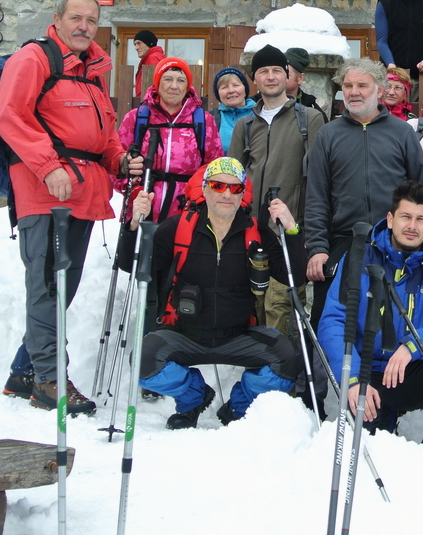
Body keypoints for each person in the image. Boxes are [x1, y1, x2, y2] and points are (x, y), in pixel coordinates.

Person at [0, 0, 143, 413]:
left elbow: (104, 134)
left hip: (83, 192)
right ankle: (50, 381)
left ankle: (24, 372)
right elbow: (10, 115)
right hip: (45, 192)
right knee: (48, 286)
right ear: (57, 18)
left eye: (91, 21)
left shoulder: (92, 71)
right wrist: (48, 167)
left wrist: (120, 159)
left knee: (63, 288)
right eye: (76, 18)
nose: (84, 27)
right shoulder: (34, 59)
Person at [125, 157, 306, 428]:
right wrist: (133, 225)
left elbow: (295, 275)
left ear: (243, 194)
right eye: (218, 186)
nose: (226, 194)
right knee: (143, 360)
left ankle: (239, 406)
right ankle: (193, 396)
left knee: (289, 362)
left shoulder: (255, 233)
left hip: (239, 335)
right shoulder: (177, 229)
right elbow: (131, 265)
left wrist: (291, 229)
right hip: (184, 334)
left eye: (235, 188)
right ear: (205, 188)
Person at [317, 180, 423, 457]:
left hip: (412, 373)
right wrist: (352, 379)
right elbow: (333, 320)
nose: (412, 226)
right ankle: (383, 416)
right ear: (390, 219)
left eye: (421, 219)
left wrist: (413, 346)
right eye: (405, 216)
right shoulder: (358, 259)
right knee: (371, 451)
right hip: (366, 375)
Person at [305, 57, 423, 327]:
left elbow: (421, 191)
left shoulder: (402, 133)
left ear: (380, 90)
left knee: (391, 323)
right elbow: (316, 197)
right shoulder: (328, 135)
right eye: (348, 86)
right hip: (343, 241)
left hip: (395, 242)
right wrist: (317, 248)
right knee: (328, 321)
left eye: (362, 85)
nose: (354, 92)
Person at [227, 45, 325, 335]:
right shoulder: (245, 125)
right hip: (249, 234)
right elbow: (232, 180)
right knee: (249, 309)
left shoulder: (309, 119)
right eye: (263, 71)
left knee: (280, 312)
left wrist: (307, 232)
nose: (270, 77)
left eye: (276, 71)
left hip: (289, 234)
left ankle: (283, 363)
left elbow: (319, 180)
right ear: (254, 79)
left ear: (287, 75)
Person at [115, 56, 224, 222]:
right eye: (167, 79)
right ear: (157, 83)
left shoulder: (203, 120)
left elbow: (214, 168)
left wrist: (196, 196)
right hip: (141, 209)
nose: (174, 86)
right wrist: (133, 191)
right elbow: (116, 163)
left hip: (186, 212)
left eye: (181, 80)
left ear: (187, 86)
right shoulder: (137, 118)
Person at [209, 67, 255, 153]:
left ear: (245, 90)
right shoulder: (211, 118)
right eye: (224, 87)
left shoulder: (260, 114)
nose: (231, 91)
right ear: (218, 94)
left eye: (236, 85)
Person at [284, 47, 329, 122]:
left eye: (287, 74)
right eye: (278, 72)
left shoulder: (312, 111)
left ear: (300, 78)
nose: (280, 78)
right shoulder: (263, 103)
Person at [133, 29, 165, 96]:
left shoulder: (153, 57)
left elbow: (154, 85)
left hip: (148, 100)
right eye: (135, 44)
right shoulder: (148, 58)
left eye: (139, 43)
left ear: (149, 43)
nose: (136, 47)